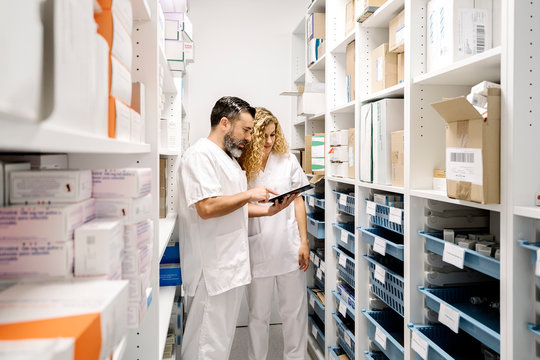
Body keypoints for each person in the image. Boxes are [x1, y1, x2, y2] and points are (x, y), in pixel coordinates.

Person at [178, 96, 296, 360]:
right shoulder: (200, 155)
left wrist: (268, 210)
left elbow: (232, 206)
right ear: (224, 123)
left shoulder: (226, 158)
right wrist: (249, 194)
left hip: (230, 267)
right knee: (206, 344)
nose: (249, 137)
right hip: (212, 270)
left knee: (220, 343)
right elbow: (207, 207)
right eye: (245, 129)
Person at [238, 107, 310, 360]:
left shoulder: (287, 159)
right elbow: (238, 205)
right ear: (253, 135)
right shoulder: (241, 163)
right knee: (258, 317)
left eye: (273, 134)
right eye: (264, 135)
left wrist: (304, 241)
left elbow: (298, 199)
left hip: (288, 246)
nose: (269, 141)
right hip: (258, 247)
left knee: (294, 313)